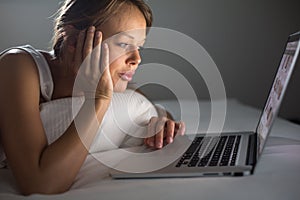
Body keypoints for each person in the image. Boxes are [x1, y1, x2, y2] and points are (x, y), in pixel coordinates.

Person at [0, 0, 185, 195]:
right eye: (124, 44)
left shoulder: (107, 80)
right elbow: (41, 184)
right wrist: (99, 100)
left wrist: (164, 123)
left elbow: (152, 107)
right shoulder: (17, 66)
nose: (137, 59)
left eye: (139, 47)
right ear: (72, 40)